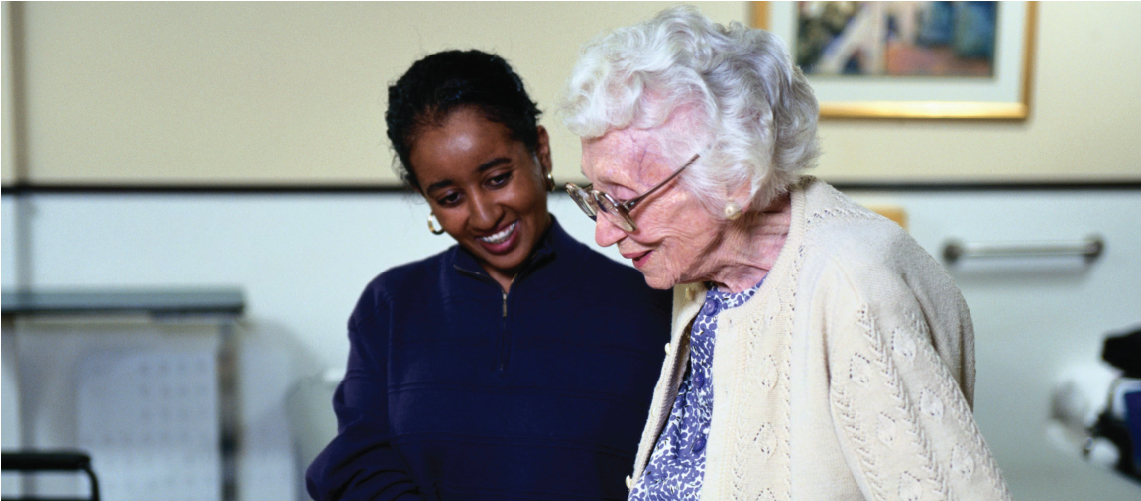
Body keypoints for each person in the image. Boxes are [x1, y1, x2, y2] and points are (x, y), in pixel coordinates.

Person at [558, 7, 1011, 500]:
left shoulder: (853, 289)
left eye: (623, 200)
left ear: (734, 180)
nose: (604, 232)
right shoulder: (706, 271)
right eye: (596, 197)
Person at [306, 50, 673, 500]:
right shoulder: (391, 306)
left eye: (498, 178)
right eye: (449, 197)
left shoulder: (651, 306)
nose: (483, 216)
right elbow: (356, 466)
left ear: (541, 151)